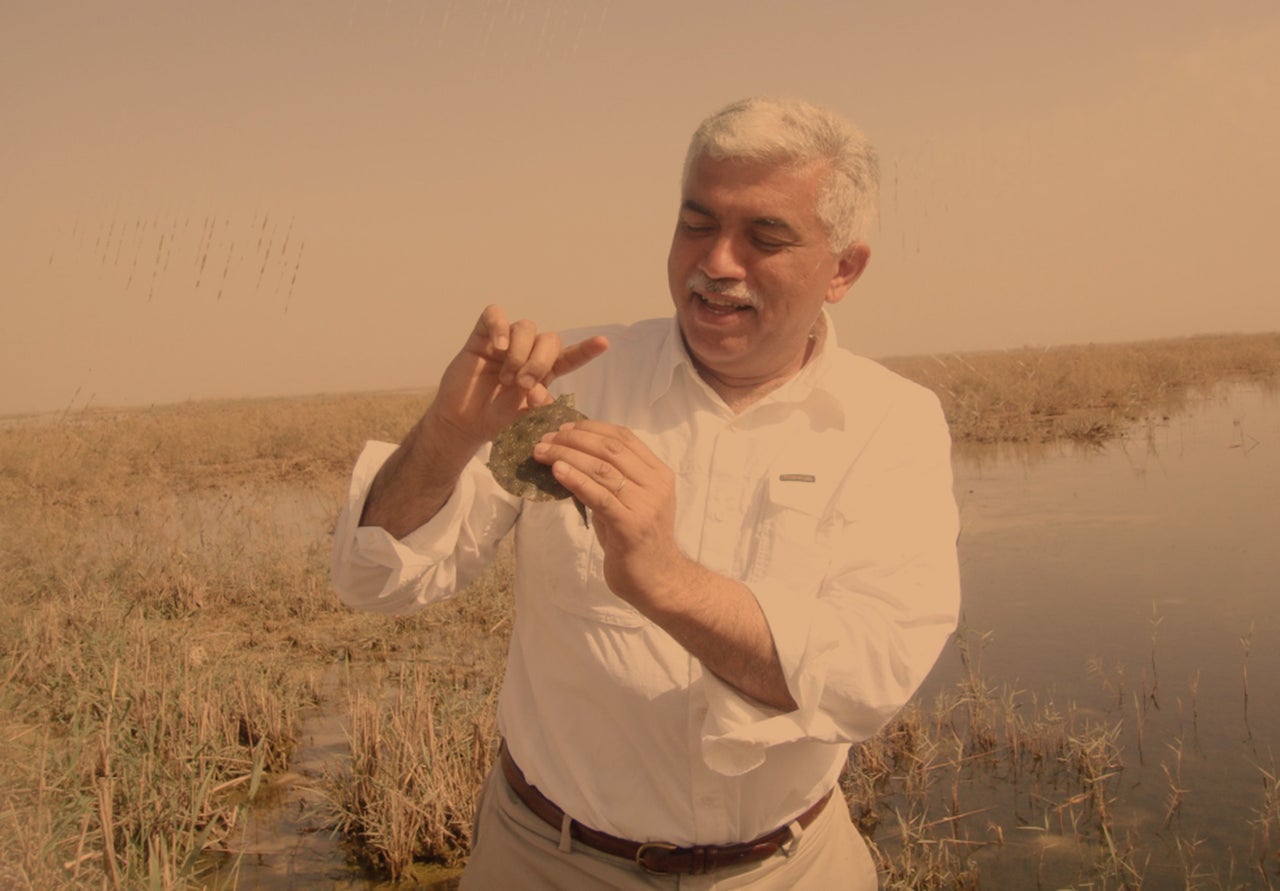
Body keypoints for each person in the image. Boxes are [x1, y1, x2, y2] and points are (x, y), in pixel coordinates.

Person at [331, 96, 961, 889]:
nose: (717, 261)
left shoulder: (892, 423)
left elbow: (868, 677)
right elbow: (374, 578)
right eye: (697, 222)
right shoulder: (575, 380)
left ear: (843, 268)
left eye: (765, 236)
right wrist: (445, 438)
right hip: (543, 860)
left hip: (789, 868)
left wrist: (664, 579)